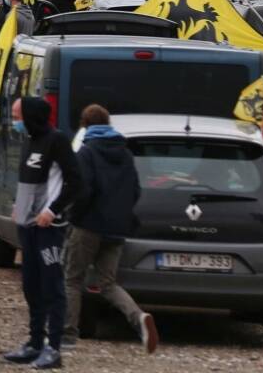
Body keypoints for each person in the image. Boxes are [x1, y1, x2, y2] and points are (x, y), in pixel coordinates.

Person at [62, 105, 158, 353]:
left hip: (88, 226)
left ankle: (68, 334)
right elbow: (135, 190)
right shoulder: (125, 153)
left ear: (85, 126)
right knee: (108, 284)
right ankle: (139, 318)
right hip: (117, 229)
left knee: (73, 279)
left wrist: (73, 215)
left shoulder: (87, 152)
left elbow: (83, 191)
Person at [2, 97, 83, 370]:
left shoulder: (56, 140)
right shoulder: (29, 139)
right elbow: (29, 180)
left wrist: (53, 210)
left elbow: (75, 181)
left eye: (17, 114)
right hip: (28, 227)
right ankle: (35, 342)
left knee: (52, 287)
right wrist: (18, 205)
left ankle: (54, 347)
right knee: (31, 286)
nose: (15, 120)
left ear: (31, 115)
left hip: (49, 228)